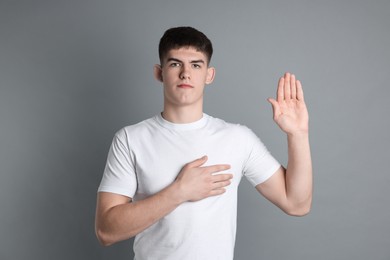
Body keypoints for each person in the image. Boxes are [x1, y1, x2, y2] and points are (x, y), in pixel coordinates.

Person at [95, 26, 312, 259]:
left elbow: (297, 204)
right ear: (159, 73)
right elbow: (106, 231)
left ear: (209, 75)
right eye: (175, 64)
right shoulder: (130, 139)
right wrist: (178, 192)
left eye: (196, 65)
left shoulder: (237, 138)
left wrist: (298, 135)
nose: (186, 73)